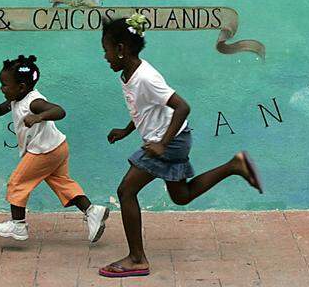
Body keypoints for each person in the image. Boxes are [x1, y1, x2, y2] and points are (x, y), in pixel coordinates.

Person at [98, 14, 263, 279]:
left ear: (120, 49)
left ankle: (137, 259)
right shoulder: (128, 74)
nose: (104, 56)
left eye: (106, 50)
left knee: (126, 191)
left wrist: (162, 144)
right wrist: (126, 130)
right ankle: (235, 165)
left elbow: (182, 107)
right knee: (182, 196)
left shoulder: (146, 77)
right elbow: (144, 108)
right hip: (169, 139)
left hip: (170, 141)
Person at [0, 54, 108, 243]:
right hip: (57, 148)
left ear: (21, 87)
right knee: (62, 182)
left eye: (5, 85)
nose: (1, 88)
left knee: (17, 183)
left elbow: (59, 111)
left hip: (44, 151)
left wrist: (38, 117)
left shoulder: (34, 102)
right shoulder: (16, 99)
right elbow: (1, 108)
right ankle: (92, 211)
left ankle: (18, 224)